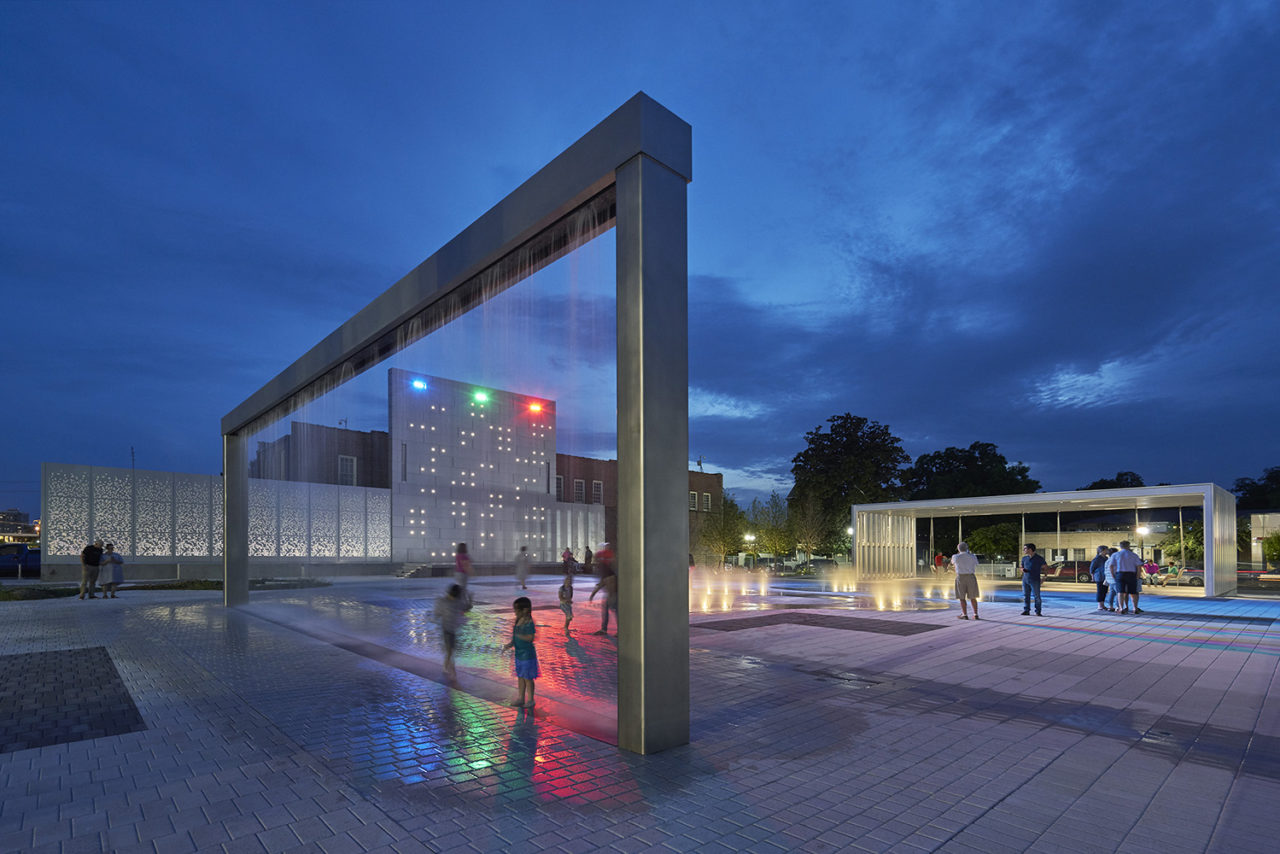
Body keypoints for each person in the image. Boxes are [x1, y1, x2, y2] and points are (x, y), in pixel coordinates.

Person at [502, 596, 539, 709]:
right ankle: (521, 698)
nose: (515, 612)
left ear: (525, 610)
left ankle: (531, 699)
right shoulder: (518, 620)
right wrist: (510, 644)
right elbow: (514, 636)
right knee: (520, 677)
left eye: (516, 610)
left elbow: (531, 638)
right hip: (519, 654)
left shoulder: (529, 622)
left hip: (527, 655)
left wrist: (520, 636)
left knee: (528, 678)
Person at [433, 583, 471, 680]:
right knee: (450, 651)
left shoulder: (457, 601)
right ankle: (451, 670)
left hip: (452, 630)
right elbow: (437, 613)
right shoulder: (444, 601)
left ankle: (445, 667)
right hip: (446, 629)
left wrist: (469, 598)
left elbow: (467, 608)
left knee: (451, 651)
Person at [1109, 540, 1144, 614]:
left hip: (1120, 574)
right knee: (1134, 592)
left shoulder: (1115, 555)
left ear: (1120, 546)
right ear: (1128, 546)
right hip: (1131, 574)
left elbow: (1111, 566)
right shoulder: (1134, 555)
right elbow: (1138, 566)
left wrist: (1113, 575)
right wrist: (1138, 576)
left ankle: (1121, 608)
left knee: (1120, 592)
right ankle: (1135, 608)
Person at [589, 542, 618, 635]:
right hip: (611, 595)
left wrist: (592, 596)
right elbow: (600, 585)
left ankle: (612, 630)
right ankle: (604, 629)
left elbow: (603, 584)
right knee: (608, 609)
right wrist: (592, 596)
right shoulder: (606, 573)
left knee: (615, 610)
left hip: (614, 595)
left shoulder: (608, 573)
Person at [949, 542, 981, 620]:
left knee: (962, 597)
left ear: (958, 549)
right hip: (971, 577)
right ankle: (975, 614)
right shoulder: (973, 556)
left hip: (960, 577)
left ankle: (965, 614)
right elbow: (976, 564)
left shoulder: (955, 556)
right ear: (967, 548)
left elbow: (952, 563)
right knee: (973, 597)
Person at [1020, 543, 1046, 616]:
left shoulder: (1039, 558)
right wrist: (1022, 569)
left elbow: (1045, 567)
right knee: (1026, 596)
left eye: (1025, 548)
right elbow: (1021, 567)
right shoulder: (1024, 558)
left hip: (1035, 580)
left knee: (1037, 596)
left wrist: (1044, 577)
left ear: (1030, 549)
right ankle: (1026, 610)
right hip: (1025, 580)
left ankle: (1038, 611)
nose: (1023, 550)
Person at [1089, 545, 1110, 611]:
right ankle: (1100, 605)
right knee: (1100, 591)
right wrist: (1093, 577)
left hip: (1105, 577)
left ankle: (1102, 604)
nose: (1107, 551)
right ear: (1102, 551)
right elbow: (1092, 569)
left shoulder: (1106, 558)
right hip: (1099, 577)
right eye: (1106, 550)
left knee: (1104, 591)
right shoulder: (1097, 559)